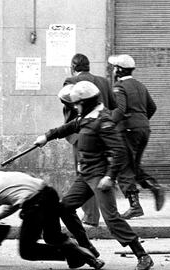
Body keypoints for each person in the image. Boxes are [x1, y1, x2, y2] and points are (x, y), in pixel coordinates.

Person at [34, 80, 154, 270]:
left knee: (112, 219)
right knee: (64, 208)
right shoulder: (87, 116)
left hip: (99, 177)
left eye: (78, 103)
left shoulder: (103, 120)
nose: (75, 106)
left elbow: (119, 151)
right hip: (85, 175)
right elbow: (70, 127)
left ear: (87, 102)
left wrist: (110, 176)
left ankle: (143, 256)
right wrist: (47, 136)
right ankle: (87, 247)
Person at [0, 170, 104, 270]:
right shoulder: (0, 176)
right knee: (53, 237)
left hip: (37, 203)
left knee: (27, 250)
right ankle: (84, 256)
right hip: (49, 194)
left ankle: (77, 255)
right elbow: (15, 201)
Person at [62, 53, 117, 227]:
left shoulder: (70, 82)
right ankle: (106, 215)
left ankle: (91, 217)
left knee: (85, 173)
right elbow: (114, 108)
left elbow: (69, 109)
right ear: (88, 66)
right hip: (103, 135)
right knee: (100, 173)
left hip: (83, 135)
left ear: (73, 67)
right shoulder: (104, 81)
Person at [108, 54, 165, 219]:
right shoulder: (140, 85)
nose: (113, 71)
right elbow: (152, 107)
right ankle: (153, 186)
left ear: (118, 70)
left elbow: (119, 110)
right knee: (133, 165)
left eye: (114, 68)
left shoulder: (119, 87)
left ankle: (135, 206)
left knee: (124, 167)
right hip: (143, 130)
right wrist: (140, 121)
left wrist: (108, 126)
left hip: (128, 131)